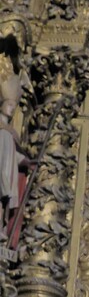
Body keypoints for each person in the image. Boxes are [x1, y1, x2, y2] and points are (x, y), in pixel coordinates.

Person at [0, 53, 30, 246]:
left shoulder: (10, 134)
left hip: (7, 173)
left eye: (14, 106)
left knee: (3, 204)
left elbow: (13, 154)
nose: (12, 109)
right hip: (1, 172)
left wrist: (26, 161)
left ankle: (2, 229)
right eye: (9, 104)